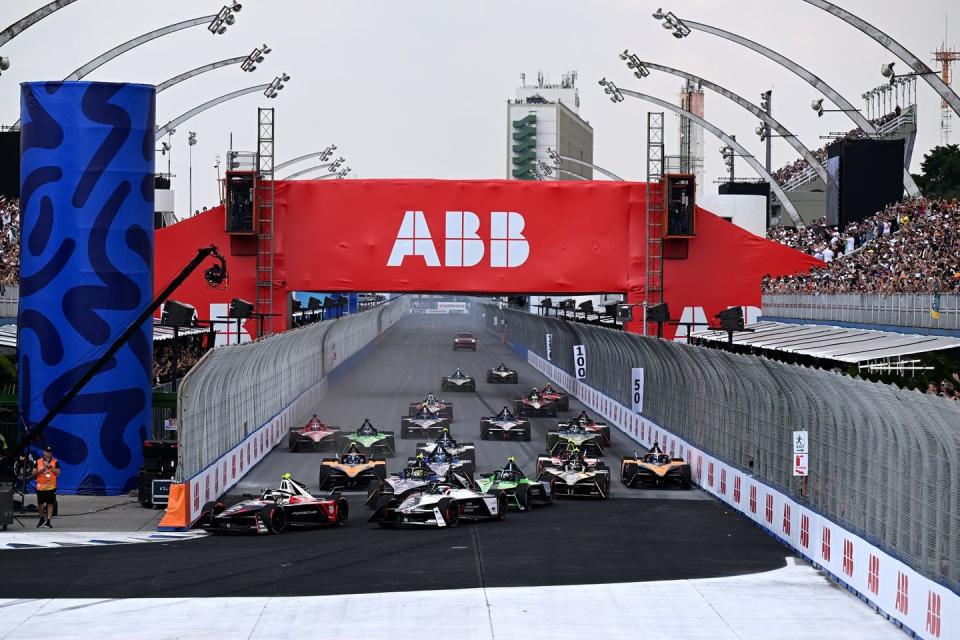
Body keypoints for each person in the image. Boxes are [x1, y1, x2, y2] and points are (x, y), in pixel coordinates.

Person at [33, 445, 60, 528]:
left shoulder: (55, 462)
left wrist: (50, 466)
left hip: (51, 486)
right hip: (40, 487)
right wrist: (40, 470)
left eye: (50, 452)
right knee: (40, 504)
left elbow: (58, 472)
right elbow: (33, 474)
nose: (49, 453)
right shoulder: (38, 461)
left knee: (50, 503)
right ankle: (41, 519)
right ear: (43, 452)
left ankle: (48, 521)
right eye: (47, 452)